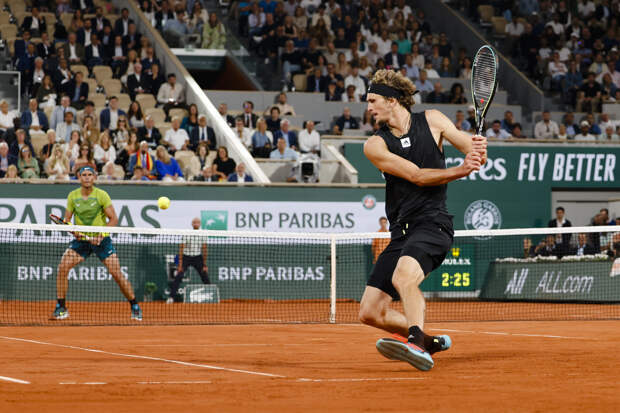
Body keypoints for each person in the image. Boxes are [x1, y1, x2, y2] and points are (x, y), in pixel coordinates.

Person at [360, 69, 485, 371]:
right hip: (401, 232)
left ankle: (416, 344)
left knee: (403, 278)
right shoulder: (375, 144)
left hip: (432, 223)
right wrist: (461, 169)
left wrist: (478, 151)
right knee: (370, 312)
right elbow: (416, 176)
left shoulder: (433, 120)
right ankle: (427, 341)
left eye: (373, 100)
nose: (368, 107)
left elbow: (475, 153)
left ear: (391, 100)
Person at [51, 166, 143, 321]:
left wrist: (100, 236)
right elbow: (66, 221)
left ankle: (134, 305)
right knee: (63, 267)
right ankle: (61, 307)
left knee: (116, 273)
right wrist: (75, 232)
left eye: (90, 175)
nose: (87, 177)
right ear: (79, 177)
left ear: (94, 177)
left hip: (102, 241)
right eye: (84, 175)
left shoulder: (101, 195)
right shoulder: (73, 196)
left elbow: (113, 219)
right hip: (82, 242)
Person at [167, 217, 211, 303]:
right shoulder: (186, 233)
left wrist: (204, 265)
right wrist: (180, 264)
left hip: (198, 257)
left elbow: (204, 248)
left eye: (197, 222)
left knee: (204, 275)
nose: (196, 223)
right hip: (186, 257)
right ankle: (171, 297)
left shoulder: (203, 234)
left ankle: (211, 296)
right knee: (179, 275)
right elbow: (181, 248)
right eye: (194, 222)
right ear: (192, 224)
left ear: (200, 224)